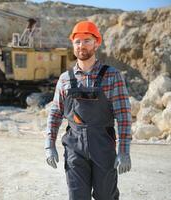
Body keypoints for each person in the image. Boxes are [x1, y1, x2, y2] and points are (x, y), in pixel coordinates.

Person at [44, 21, 132, 200]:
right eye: (77, 42)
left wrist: (124, 151)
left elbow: (123, 116)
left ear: (96, 43)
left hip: (103, 146)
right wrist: (49, 145)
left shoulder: (112, 76)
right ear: (72, 45)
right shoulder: (65, 79)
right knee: (77, 197)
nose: (81, 45)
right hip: (74, 148)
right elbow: (55, 114)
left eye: (87, 40)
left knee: (106, 196)